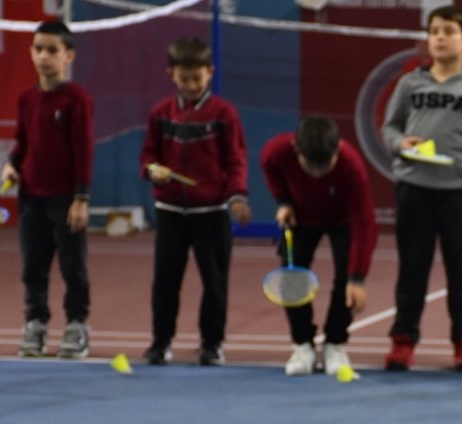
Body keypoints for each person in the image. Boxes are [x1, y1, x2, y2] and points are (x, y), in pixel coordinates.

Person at [381, 5, 462, 373]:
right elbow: (389, 129)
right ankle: (403, 342)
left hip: (459, 191)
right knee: (412, 270)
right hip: (415, 188)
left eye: (448, 31)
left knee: (461, 272)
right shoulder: (410, 83)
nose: (439, 37)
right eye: (434, 31)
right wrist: (402, 144)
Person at [139, 37, 251, 366]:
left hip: (211, 213)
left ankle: (212, 344)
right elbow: (148, 155)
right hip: (171, 212)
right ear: (171, 73)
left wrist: (238, 196)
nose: (190, 85)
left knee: (215, 283)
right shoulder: (160, 113)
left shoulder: (224, 114)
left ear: (210, 73)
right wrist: (151, 170)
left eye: (196, 78)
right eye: (183, 78)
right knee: (165, 281)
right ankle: (160, 342)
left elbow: (236, 159)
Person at [261, 116, 377, 377]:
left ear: (337, 150)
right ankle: (303, 345)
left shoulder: (351, 166)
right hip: (301, 217)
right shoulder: (277, 151)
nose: (317, 173)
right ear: (296, 150)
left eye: (325, 166)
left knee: (345, 281)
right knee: (292, 278)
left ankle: (335, 345)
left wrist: (357, 278)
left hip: (343, 220)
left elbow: (364, 224)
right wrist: (283, 201)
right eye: (310, 166)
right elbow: (269, 168)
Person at [4, 21, 94, 360]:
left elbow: (83, 149)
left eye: (52, 50)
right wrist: (12, 164)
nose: (44, 56)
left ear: (68, 55)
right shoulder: (27, 99)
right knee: (33, 267)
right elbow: (22, 141)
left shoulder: (78, 99)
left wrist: (81, 198)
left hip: (66, 199)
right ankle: (36, 324)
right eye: (38, 49)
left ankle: (76, 325)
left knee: (73, 266)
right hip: (31, 198)